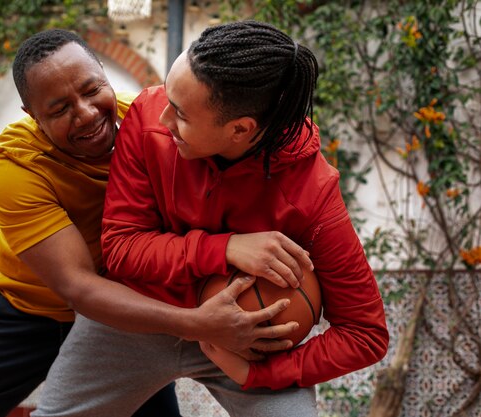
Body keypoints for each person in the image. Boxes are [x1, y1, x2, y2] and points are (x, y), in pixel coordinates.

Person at [0, 28, 301, 417]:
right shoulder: (13, 165)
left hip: (124, 313)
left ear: (104, 73)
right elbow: (78, 286)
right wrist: (198, 323)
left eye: (91, 89)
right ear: (32, 116)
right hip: (23, 310)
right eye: (59, 109)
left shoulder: (149, 125)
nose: (85, 113)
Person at [31, 20, 389, 417]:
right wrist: (228, 248)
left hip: (245, 343)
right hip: (142, 315)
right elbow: (121, 247)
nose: (163, 118)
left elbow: (365, 333)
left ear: (240, 129)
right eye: (168, 98)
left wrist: (264, 373)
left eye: (181, 113)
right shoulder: (147, 118)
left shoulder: (312, 191)